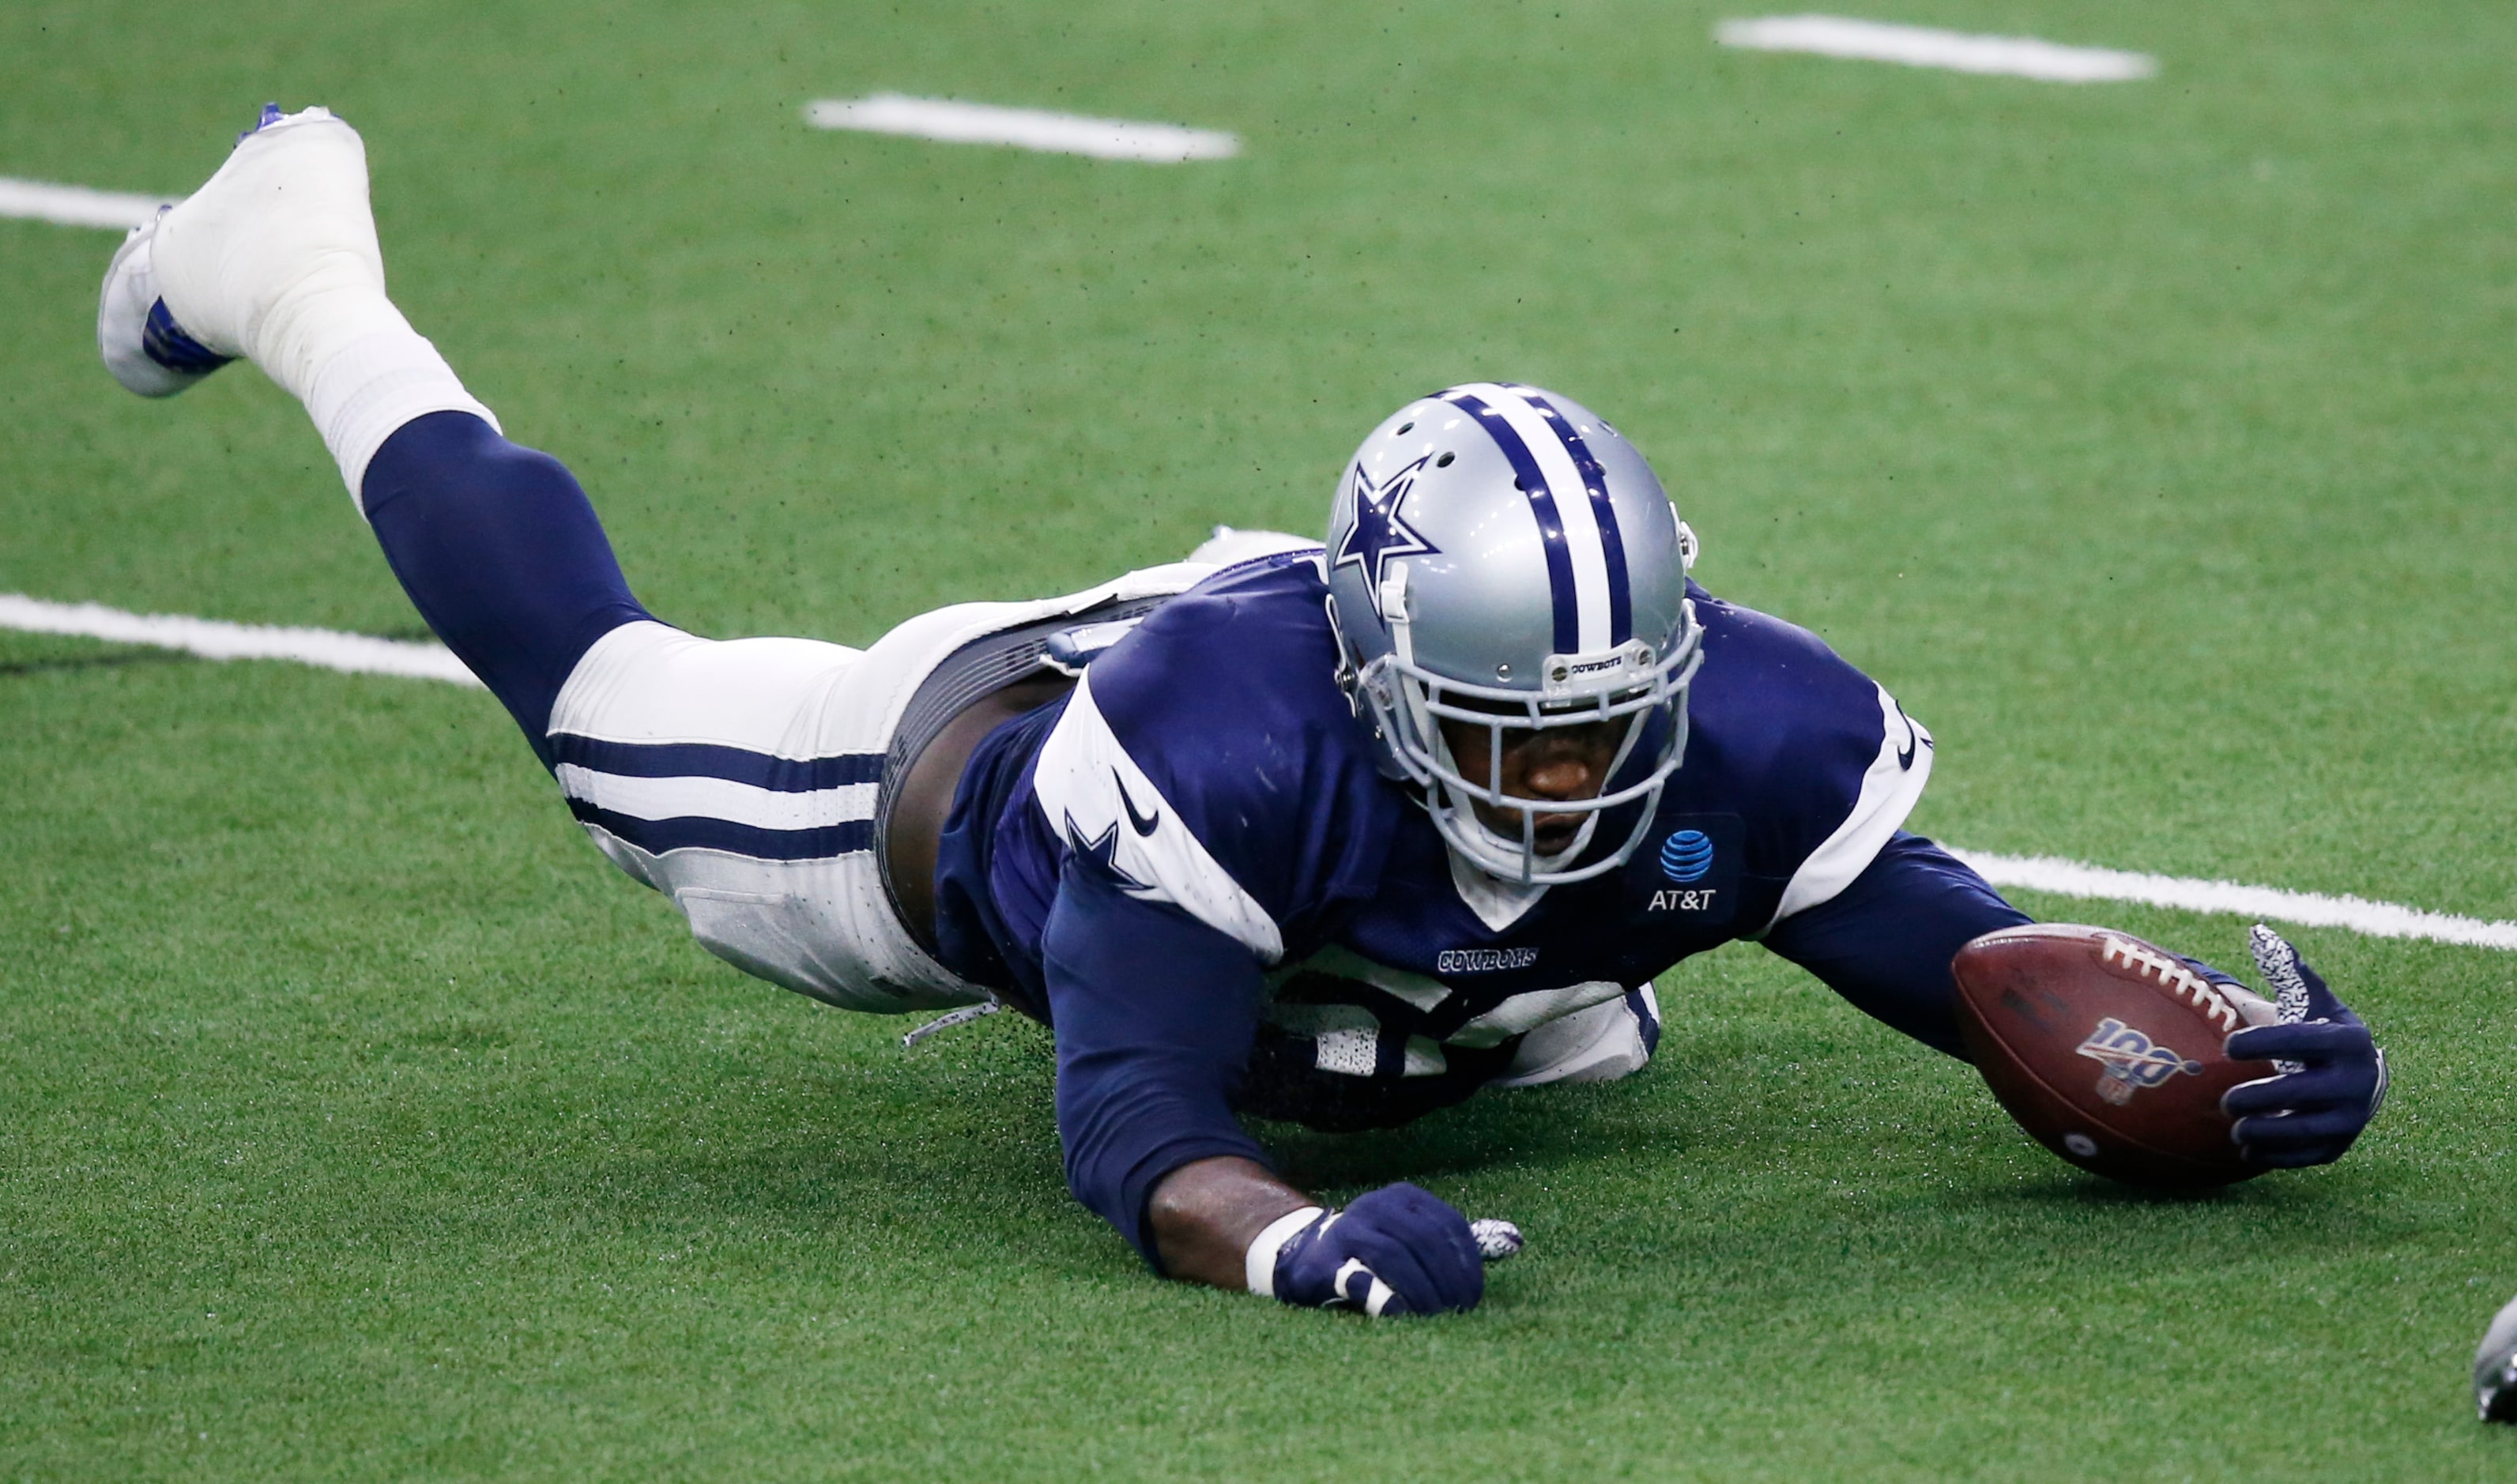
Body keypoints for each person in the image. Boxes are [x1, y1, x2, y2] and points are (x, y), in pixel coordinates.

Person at [98, 105, 2388, 1317]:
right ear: (1387, 671)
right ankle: (300, 269)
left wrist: (2202, 1062)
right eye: (1518, 723)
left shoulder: (1742, 735)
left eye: (1613, 720)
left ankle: (1454, 1015)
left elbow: (1954, 950)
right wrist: (1283, 1241)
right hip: (963, 791)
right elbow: (1129, 1129)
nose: (1576, 775)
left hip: (1322, 864)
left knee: (1488, 1018)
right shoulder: (1225, 739)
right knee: (614, 728)